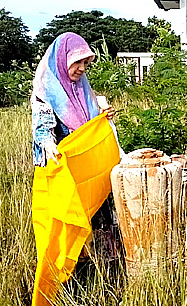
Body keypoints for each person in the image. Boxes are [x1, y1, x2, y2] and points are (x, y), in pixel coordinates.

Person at [31, 32, 120, 261]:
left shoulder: (81, 87)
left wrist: (103, 115)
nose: (81, 68)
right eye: (76, 62)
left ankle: (105, 270)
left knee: (100, 218)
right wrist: (50, 145)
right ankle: (74, 277)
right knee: (70, 225)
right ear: (62, 60)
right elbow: (43, 130)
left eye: (85, 63)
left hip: (89, 168)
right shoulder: (46, 90)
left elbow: (88, 122)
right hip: (66, 170)